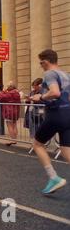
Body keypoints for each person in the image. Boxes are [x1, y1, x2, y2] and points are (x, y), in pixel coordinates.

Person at [30, 49, 70, 194]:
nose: (41, 66)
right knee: (66, 150)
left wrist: (40, 97)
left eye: (41, 63)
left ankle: (54, 178)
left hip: (56, 114)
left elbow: (55, 92)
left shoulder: (50, 74)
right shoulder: (66, 74)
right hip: (68, 114)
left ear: (46, 61)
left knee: (37, 144)